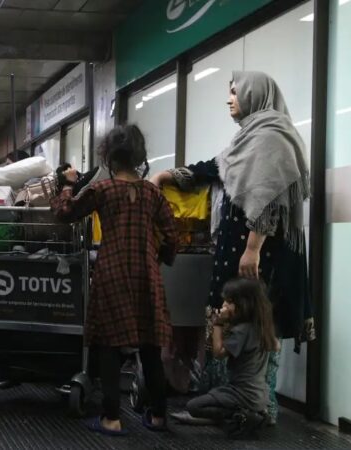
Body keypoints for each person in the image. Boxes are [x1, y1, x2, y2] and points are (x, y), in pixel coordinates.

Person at [150, 71, 313, 424]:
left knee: (254, 325)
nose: (229, 100)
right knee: (233, 320)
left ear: (256, 95)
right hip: (240, 252)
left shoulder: (273, 138)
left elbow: (272, 197)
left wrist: (253, 247)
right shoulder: (248, 139)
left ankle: (255, 407)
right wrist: (168, 177)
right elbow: (216, 169)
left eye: (236, 93)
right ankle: (224, 404)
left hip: (260, 257)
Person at [52, 124, 177, 436]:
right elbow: (173, 236)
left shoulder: (103, 190)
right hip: (147, 276)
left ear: (108, 155)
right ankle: (159, 416)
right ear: (139, 155)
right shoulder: (153, 193)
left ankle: (112, 418)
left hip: (111, 273)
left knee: (108, 345)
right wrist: (157, 258)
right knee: (150, 346)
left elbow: (64, 213)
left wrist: (68, 184)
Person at [182, 278, 277, 439]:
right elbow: (276, 346)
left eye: (229, 302)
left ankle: (242, 416)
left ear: (245, 305)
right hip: (259, 394)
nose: (224, 306)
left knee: (193, 406)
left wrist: (217, 324)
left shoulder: (242, 331)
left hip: (241, 393)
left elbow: (218, 353)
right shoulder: (262, 327)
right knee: (215, 394)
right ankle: (250, 414)